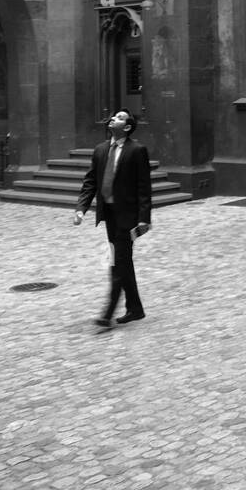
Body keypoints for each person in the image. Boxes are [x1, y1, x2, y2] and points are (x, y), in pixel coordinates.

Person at [73, 110, 152, 329]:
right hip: (109, 216)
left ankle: (107, 314)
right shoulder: (100, 150)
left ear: (127, 127)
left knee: (117, 263)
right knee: (122, 261)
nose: (112, 119)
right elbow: (91, 182)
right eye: (113, 117)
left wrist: (144, 218)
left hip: (128, 218)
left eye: (119, 117)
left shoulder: (137, 150)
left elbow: (144, 187)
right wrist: (81, 208)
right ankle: (135, 308)